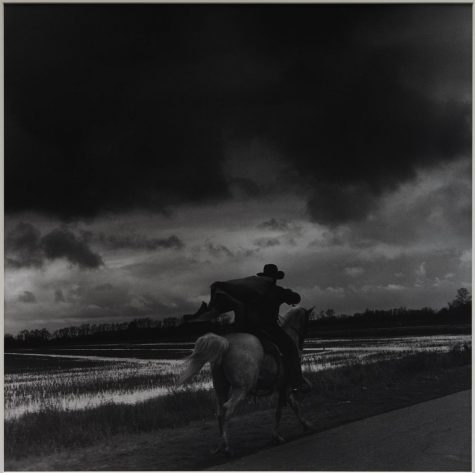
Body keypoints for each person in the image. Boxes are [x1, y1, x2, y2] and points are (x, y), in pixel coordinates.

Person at [184, 264, 309, 392]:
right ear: (275, 278)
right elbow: (296, 298)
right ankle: (297, 383)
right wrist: (287, 294)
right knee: (291, 349)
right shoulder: (276, 290)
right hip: (268, 328)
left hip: (244, 327)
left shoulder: (249, 290)